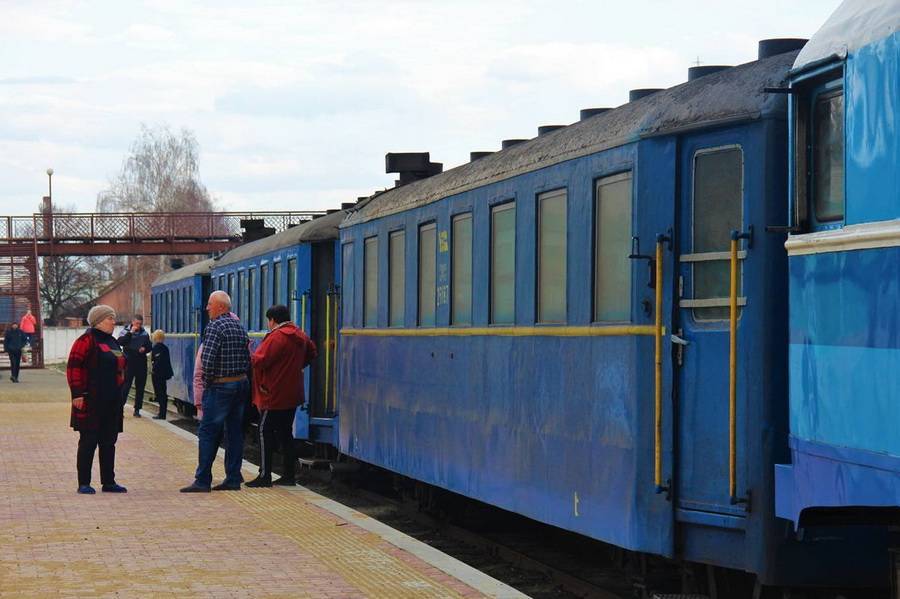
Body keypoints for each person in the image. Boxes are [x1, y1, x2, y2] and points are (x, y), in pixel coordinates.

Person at [180, 291, 250, 493]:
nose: (207, 308)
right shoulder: (239, 326)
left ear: (220, 306)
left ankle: (202, 480)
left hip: (220, 386)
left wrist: (208, 383)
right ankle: (233, 478)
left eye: (210, 304)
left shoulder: (215, 326)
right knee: (235, 433)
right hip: (240, 384)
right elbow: (247, 357)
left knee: (208, 432)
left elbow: (207, 360)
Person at [246, 305, 318, 488]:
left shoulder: (277, 337)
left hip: (274, 393)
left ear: (273, 320)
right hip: (292, 393)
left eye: (268, 321)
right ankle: (289, 475)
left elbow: (260, 361)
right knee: (286, 433)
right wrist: (295, 367)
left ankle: (265, 475)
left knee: (264, 431)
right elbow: (312, 352)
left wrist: (249, 353)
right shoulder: (300, 335)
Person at [67, 305, 128, 495]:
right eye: (110, 318)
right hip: (90, 401)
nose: (113, 322)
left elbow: (121, 366)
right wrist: (77, 394)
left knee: (109, 442)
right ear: (99, 321)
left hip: (112, 402)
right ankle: (84, 483)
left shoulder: (113, 342)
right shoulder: (85, 341)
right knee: (88, 441)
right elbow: (73, 367)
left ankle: (108, 482)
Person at [118, 315, 152, 417]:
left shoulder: (144, 333)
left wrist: (144, 349)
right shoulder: (125, 331)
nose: (138, 326)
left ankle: (137, 409)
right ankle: (120, 408)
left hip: (141, 362)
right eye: (137, 323)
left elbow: (149, 346)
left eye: (140, 324)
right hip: (129, 362)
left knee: (140, 387)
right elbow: (121, 342)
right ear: (132, 322)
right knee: (126, 386)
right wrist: (130, 333)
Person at [150, 329, 173, 420]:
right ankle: (162, 413)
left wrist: (153, 369)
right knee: (163, 392)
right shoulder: (165, 348)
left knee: (160, 393)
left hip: (157, 374)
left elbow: (156, 361)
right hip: (164, 374)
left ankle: (161, 414)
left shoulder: (156, 348)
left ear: (155, 337)